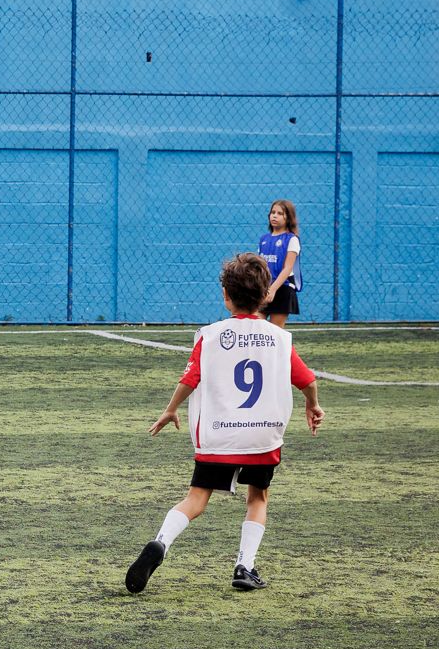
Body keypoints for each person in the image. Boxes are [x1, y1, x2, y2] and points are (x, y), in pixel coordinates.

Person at [124, 253, 324, 595]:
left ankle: (160, 543)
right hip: (262, 437)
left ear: (225, 296)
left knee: (196, 498)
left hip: (220, 435)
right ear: (265, 297)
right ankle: (244, 566)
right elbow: (307, 380)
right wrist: (313, 405)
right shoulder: (278, 338)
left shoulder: (211, 336)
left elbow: (190, 378)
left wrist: (171, 409)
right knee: (258, 497)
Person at [257, 199, 301, 328]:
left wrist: (273, 289)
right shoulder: (264, 239)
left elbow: (287, 268)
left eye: (280, 213)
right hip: (265, 288)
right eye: (273, 212)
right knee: (258, 327)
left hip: (282, 288)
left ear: (288, 217)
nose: (274, 215)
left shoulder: (291, 239)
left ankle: (285, 349)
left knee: (275, 332)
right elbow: (261, 266)